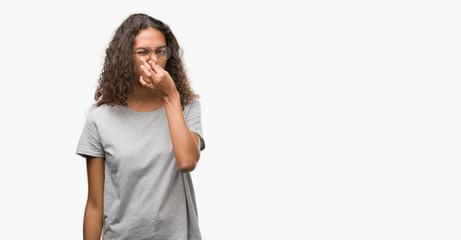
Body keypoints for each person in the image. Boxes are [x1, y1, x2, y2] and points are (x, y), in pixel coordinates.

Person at [75, 13, 205, 240]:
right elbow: (95, 205)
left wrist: (171, 97)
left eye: (160, 51)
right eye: (143, 52)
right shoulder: (100, 118)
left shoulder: (186, 107)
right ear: (126, 57)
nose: (153, 60)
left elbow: (187, 162)